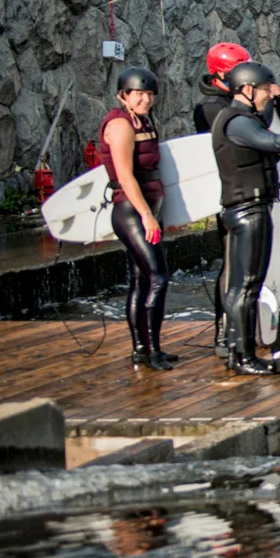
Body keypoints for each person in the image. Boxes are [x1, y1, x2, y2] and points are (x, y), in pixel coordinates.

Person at [212, 61, 280, 375]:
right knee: (246, 287)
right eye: (264, 89)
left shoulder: (241, 117)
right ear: (247, 90)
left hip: (244, 209)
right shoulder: (238, 122)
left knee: (241, 287)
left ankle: (237, 353)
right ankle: (243, 356)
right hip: (248, 212)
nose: (269, 94)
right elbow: (278, 143)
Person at [194, 42, 280, 356]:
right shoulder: (212, 108)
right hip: (234, 195)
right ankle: (226, 333)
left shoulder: (238, 103)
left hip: (253, 192)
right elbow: (261, 128)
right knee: (234, 272)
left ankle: (246, 334)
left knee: (249, 273)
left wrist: (278, 97)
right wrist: (268, 101)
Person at [103, 68, 175, 370]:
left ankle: (142, 350)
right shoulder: (120, 124)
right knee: (158, 277)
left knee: (141, 279)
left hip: (148, 208)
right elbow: (125, 176)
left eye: (150, 94)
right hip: (130, 211)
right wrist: (147, 215)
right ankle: (152, 351)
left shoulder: (143, 121)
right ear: (124, 95)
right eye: (139, 94)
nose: (146, 99)